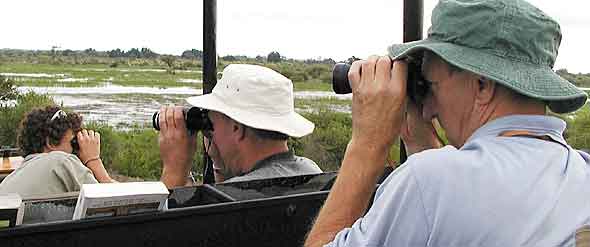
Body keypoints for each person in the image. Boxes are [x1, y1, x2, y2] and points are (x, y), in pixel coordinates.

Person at [305, 0, 590, 246]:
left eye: (431, 84)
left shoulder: (430, 181)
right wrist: (419, 140)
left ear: (482, 85)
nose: (427, 110)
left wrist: (368, 144)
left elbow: (440, 192)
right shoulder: (581, 171)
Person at [159, 64, 322, 188]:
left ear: (237, 128)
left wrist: (175, 169)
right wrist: (219, 162)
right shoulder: (311, 173)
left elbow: (163, 232)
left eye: (211, 125)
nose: (209, 133)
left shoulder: (240, 193)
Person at [0, 106, 115, 198]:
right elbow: (115, 200)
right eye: (73, 142)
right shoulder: (60, 161)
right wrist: (93, 160)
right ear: (51, 143)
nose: (77, 149)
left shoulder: (11, 178)